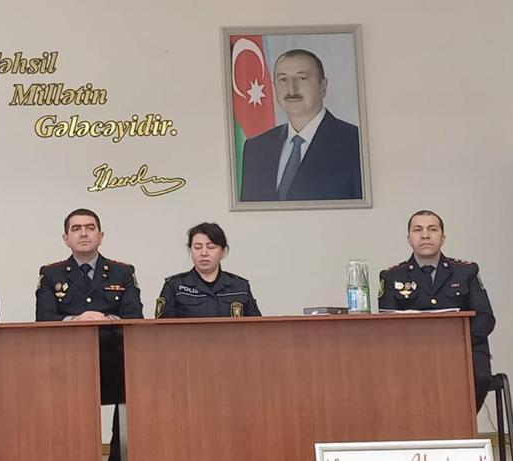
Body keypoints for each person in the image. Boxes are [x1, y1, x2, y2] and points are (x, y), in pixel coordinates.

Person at [35, 208, 142, 461]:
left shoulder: (123, 272)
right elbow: (44, 318)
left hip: (115, 357)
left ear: (101, 236)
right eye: (76, 229)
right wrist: (76, 320)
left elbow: (135, 317)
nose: (83, 233)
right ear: (66, 239)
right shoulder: (51, 274)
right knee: (68, 421)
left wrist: (105, 319)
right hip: (68, 360)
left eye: (90, 228)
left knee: (131, 402)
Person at [379, 210, 495, 412]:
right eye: (418, 230)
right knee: (390, 380)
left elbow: (485, 319)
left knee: (480, 376)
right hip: (413, 351)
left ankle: (462, 421)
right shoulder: (392, 276)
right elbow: (386, 324)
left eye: (432, 229)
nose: (425, 235)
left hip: (463, 347)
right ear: (409, 239)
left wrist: (455, 343)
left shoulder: (466, 271)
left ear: (443, 237)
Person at [240, 49, 362, 202]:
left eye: (302, 78)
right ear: (274, 87)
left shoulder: (356, 143)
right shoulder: (256, 148)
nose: (291, 89)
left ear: (323, 86)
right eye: (283, 80)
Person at [156, 222, 261, 318]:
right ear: (190, 250)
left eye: (211, 247)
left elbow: (257, 327)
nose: (204, 253)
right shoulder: (175, 286)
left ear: (223, 251)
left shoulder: (240, 287)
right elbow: (163, 329)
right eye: (198, 247)